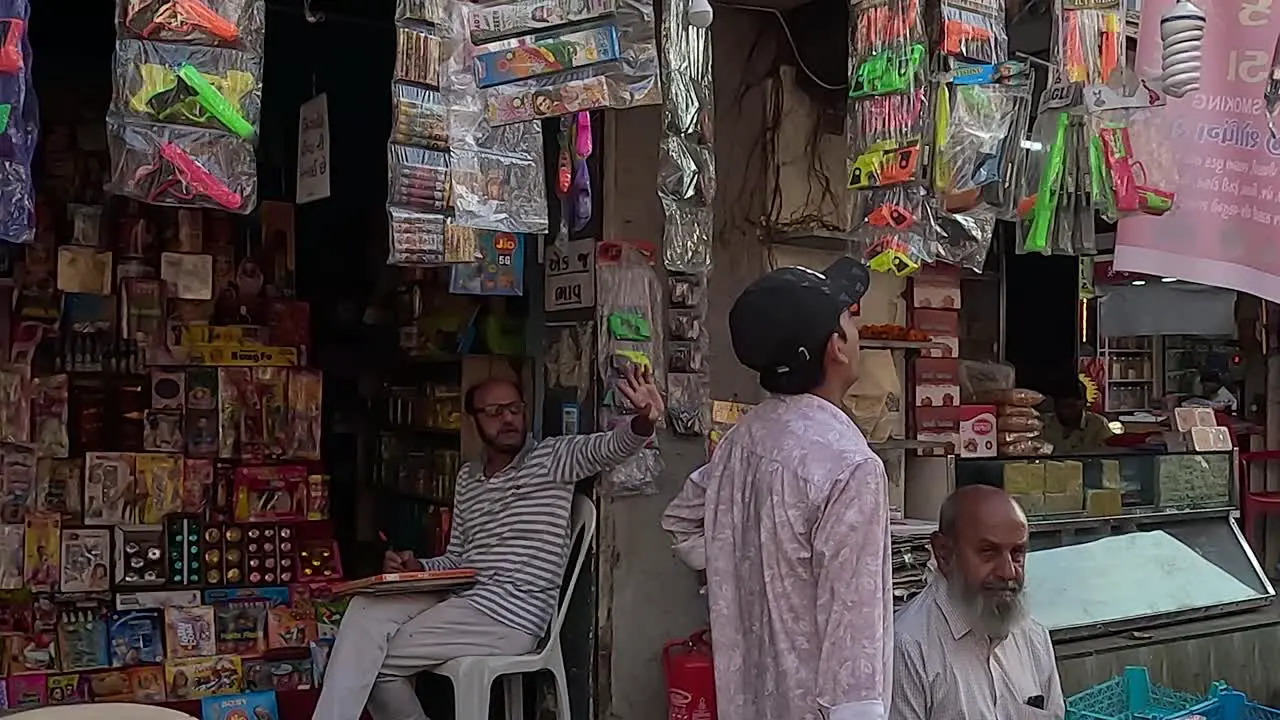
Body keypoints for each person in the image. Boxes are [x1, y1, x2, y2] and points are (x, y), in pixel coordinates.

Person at [314, 366, 663, 720]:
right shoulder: (468, 477)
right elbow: (458, 559)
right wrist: (416, 567)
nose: (508, 419)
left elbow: (609, 448)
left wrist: (644, 421)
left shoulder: (553, 459)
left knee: (372, 664)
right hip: (465, 597)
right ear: (474, 420)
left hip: (510, 614)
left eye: (514, 408)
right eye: (494, 412)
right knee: (364, 609)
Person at [662, 258, 892, 720]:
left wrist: (742, 571)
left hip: (746, 695)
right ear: (837, 347)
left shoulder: (743, 441)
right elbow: (854, 633)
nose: (855, 326)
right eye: (849, 317)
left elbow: (681, 521)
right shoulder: (850, 465)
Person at [892, 485, 1063, 720]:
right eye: (988, 552)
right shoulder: (906, 648)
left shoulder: (1034, 639)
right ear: (943, 553)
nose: (1008, 572)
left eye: (1017, 554)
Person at [1040, 380, 1113, 454]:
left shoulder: (1098, 424)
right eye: (1060, 406)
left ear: (1084, 403)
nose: (1065, 412)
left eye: (1071, 406)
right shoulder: (1043, 423)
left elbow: (1107, 455)